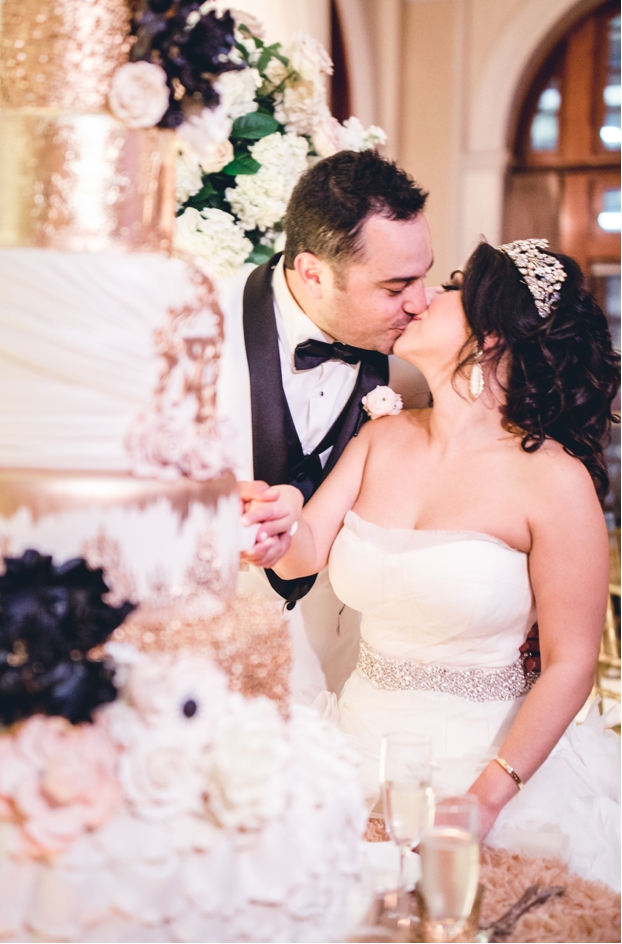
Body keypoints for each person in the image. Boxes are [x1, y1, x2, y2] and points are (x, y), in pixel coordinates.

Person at [242, 238, 621, 890]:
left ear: (492, 335)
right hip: (349, 758)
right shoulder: (382, 438)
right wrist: (277, 525)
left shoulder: (555, 482)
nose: (426, 298)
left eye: (451, 287)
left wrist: (485, 800)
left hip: (485, 775)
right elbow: (306, 547)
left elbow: (570, 663)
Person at [219, 149, 539, 695]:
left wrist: (527, 611)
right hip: (209, 672)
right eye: (395, 287)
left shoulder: (419, 371)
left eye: (425, 277)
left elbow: (506, 470)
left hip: (349, 684)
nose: (420, 302)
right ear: (313, 274)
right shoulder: (195, 334)